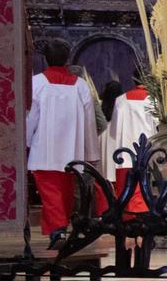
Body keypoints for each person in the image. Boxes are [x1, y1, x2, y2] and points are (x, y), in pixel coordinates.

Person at [26, 40, 102, 238]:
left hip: (44, 148)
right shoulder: (80, 86)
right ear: (67, 58)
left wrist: (24, 142)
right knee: (66, 192)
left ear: (45, 58)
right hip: (72, 149)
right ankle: (59, 228)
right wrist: (91, 152)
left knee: (51, 193)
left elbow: (30, 117)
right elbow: (89, 123)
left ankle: (57, 229)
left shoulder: (36, 83)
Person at [101, 81, 159, 212]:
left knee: (125, 194)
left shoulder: (121, 100)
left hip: (124, 154)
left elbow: (114, 132)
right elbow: (158, 130)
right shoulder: (153, 101)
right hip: (146, 155)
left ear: (133, 79)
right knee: (143, 193)